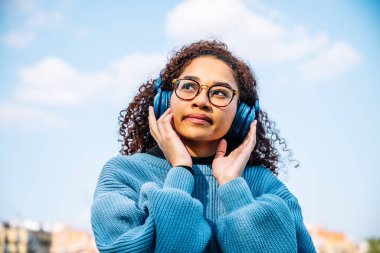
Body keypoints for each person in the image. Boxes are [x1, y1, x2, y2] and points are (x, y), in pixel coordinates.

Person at [91, 40, 316, 253]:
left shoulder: (266, 186)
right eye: (189, 86)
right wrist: (180, 170)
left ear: (242, 114)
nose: (201, 101)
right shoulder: (122, 174)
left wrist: (233, 188)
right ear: (166, 98)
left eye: (219, 92)